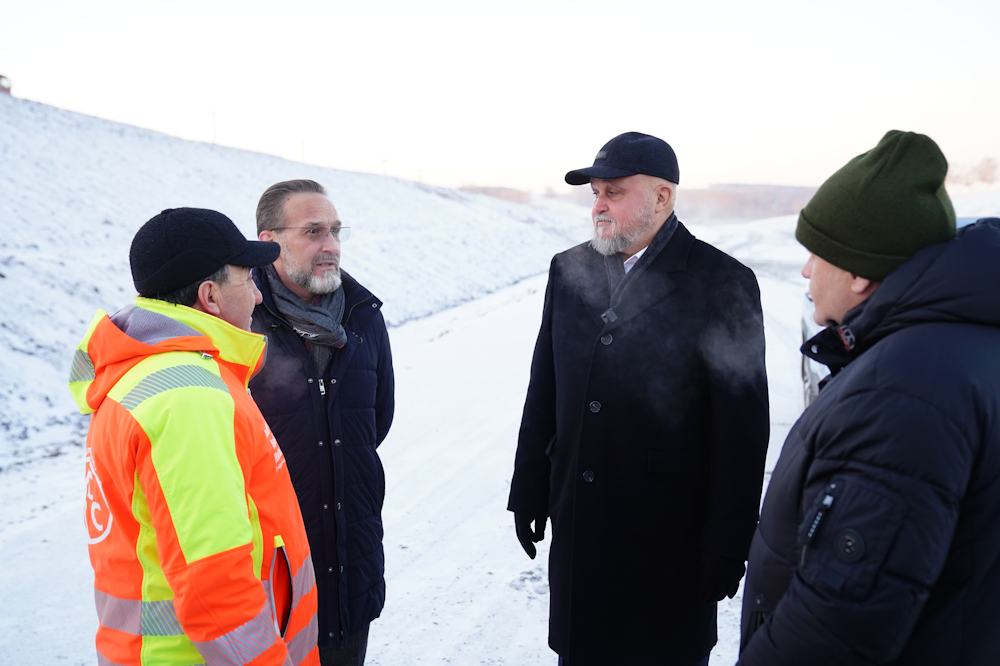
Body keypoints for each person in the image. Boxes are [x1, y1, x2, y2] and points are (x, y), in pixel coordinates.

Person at [508, 132, 770, 665]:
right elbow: (545, 386)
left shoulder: (723, 281)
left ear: (662, 197)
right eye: (596, 194)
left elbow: (742, 430)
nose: (598, 206)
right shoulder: (568, 269)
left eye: (614, 192)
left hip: (668, 541)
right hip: (582, 530)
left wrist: (728, 543)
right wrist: (530, 488)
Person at [739, 131, 1000, 664]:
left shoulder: (903, 389)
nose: (806, 270)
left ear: (858, 271)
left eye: (817, 254)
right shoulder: (962, 347)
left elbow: (837, 623)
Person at [69, 208, 319, 666]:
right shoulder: (188, 399)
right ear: (210, 296)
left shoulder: (156, 374)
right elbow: (216, 586)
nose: (258, 296)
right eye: (248, 280)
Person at [248, 179, 394, 666]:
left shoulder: (362, 316)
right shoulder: (242, 321)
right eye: (313, 232)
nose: (331, 245)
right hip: (272, 581)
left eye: (335, 231)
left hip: (351, 565)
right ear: (269, 243)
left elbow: (377, 421)